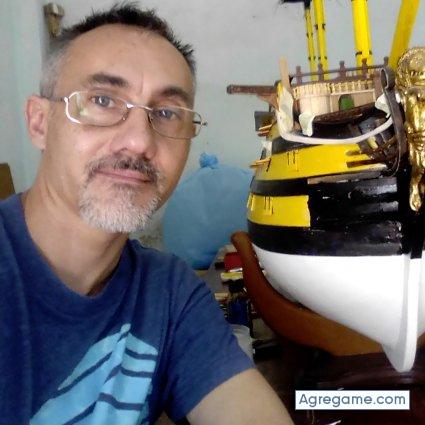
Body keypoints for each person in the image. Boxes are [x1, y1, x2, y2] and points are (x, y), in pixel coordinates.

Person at [0, 3, 294, 424]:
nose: (139, 141)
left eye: (167, 113)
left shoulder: (170, 294)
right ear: (39, 122)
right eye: (103, 100)